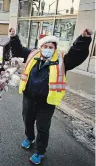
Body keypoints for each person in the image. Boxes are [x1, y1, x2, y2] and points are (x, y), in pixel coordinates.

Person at [8, 27, 93, 164]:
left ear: (55, 48)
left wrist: (83, 39)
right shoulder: (33, 54)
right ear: (41, 47)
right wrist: (13, 37)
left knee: (42, 128)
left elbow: (76, 55)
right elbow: (18, 50)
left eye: (51, 47)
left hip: (46, 102)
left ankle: (40, 152)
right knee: (27, 120)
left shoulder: (62, 60)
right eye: (45, 46)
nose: (48, 49)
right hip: (29, 98)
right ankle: (30, 138)